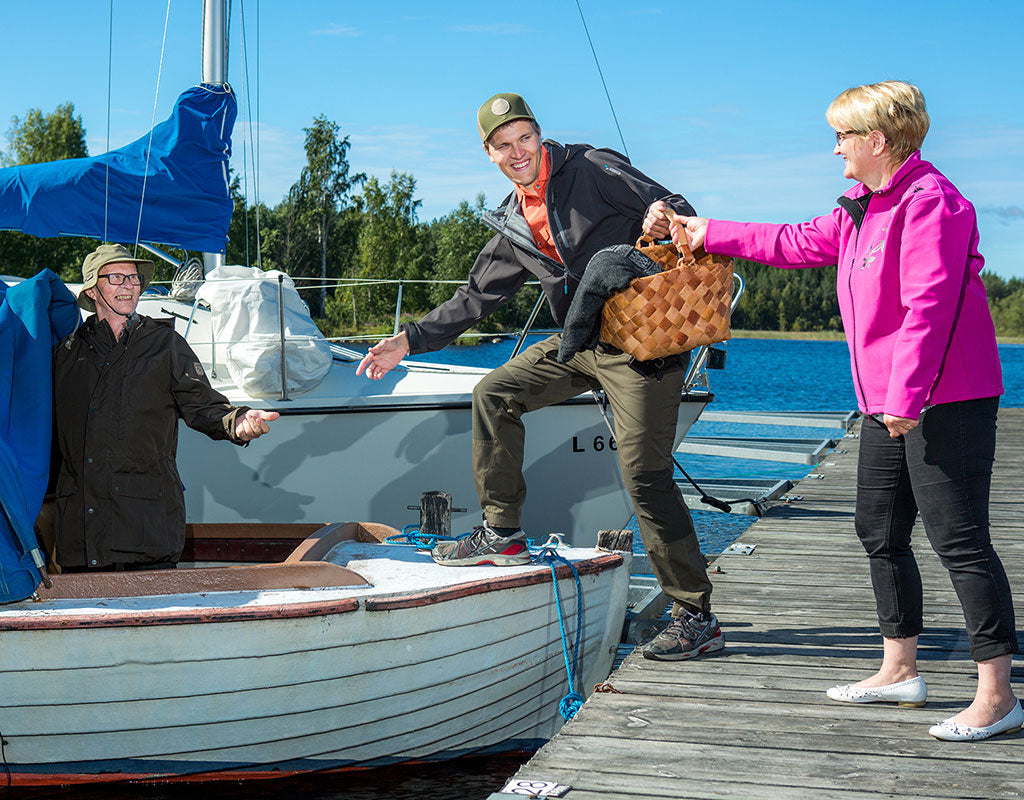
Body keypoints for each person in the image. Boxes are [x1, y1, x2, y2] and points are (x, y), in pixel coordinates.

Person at [671, 80, 1020, 740]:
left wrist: (906, 398)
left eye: (841, 137)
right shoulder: (864, 206)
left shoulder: (933, 204)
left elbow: (930, 310)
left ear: (876, 141)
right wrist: (710, 231)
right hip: (889, 400)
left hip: (945, 398)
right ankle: (899, 670)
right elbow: (794, 241)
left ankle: (998, 695)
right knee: (878, 529)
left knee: (960, 541)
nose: (835, 150)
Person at [358, 92, 722, 661]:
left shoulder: (592, 167)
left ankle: (694, 614)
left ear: (539, 134)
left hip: (644, 342)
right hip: (580, 342)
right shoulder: (511, 222)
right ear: (489, 153)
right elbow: (475, 297)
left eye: (524, 137)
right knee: (494, 392)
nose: (517, 151)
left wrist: (663, 214)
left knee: (643, 474)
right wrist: (408, 340)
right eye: (503, 145)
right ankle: (501, 536)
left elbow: (672, 206)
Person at [52, 244, 279, 572]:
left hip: (144, 531)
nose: (129, 285)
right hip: (79, 535)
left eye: (134, 278)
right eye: (117, 277)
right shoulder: (67, 355)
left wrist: (237, 420)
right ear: (92, 289)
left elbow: (202, 405)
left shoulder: (164, 344)